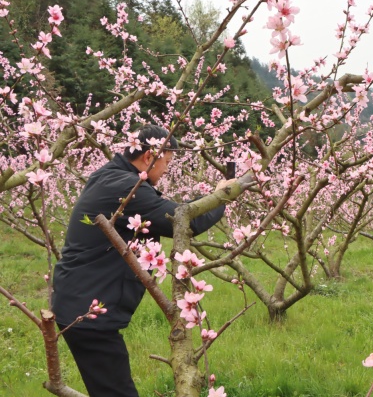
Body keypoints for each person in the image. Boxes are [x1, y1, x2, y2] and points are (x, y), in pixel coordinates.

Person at [52, 124, 235, 397]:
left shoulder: (112, 177)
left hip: (80, 301)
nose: (166, 171)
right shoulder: (126, 185)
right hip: (87, 312)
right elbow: (185, 220)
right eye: (167, 162)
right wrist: (223, 195)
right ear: (149, 156)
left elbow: (170, 210)